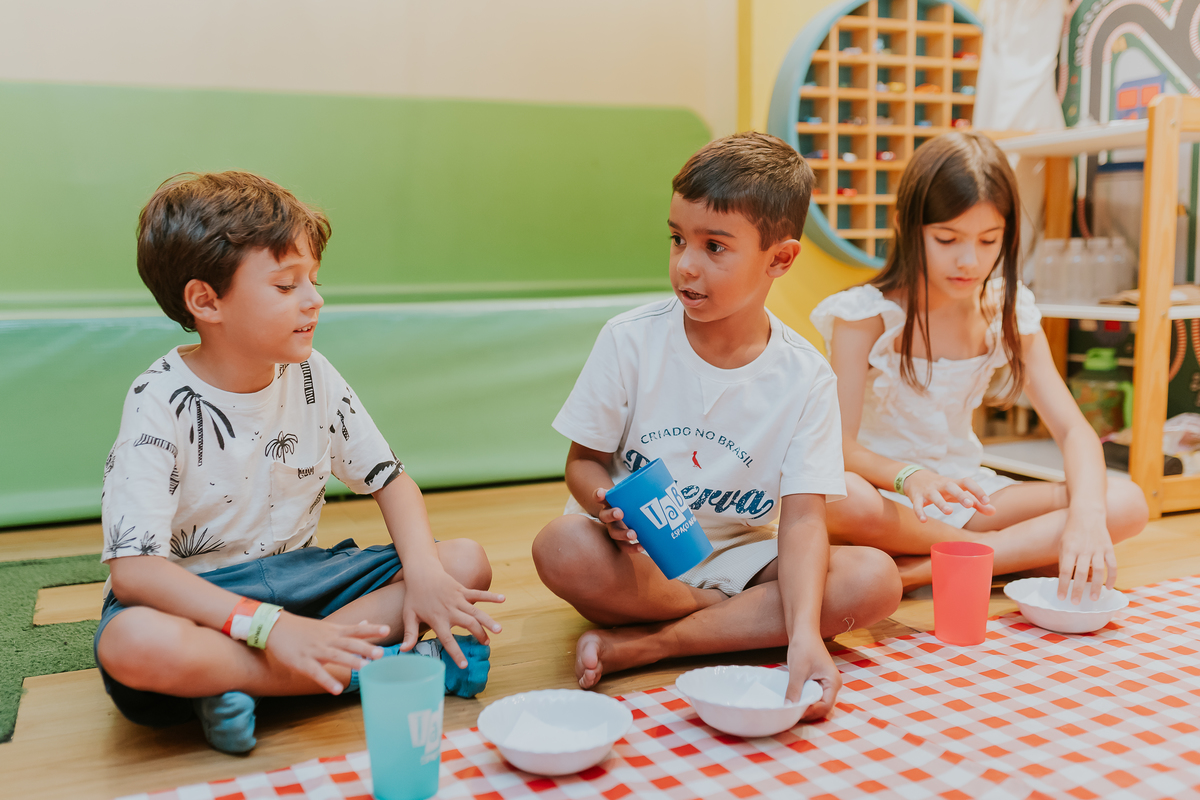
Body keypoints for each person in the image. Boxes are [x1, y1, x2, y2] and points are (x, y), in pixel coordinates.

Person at [95, 171, 504, 754]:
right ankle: (365, 668)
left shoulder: (314, 374)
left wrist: (428, 577)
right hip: (199, 600)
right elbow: (134, 574)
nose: (314, 299)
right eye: (286, 285)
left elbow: (390, 481)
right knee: (131, 643)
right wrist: (270, 628)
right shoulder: (158, 400)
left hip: (302, 580)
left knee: (461, 563)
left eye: (312, 279)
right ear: (205, 300)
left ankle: (240, 681)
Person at [532, 132, 902, 718]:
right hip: (641, 561)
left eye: (714, 247)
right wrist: (604, 504)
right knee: (560, 546)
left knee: (874, 580)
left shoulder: (805, 375)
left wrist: (805, 635)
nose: (686, 265)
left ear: (779, 259)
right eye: (677, 239)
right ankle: (725, 622)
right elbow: (584, 462)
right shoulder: (629, 340)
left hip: (744, 558)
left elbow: (804, 517)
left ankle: (656, 642)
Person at [811, 132, 1148, 599]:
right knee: (838, 496)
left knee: (1125, 501)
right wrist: (911, 477)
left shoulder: (1005, 309)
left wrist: (1089, 517)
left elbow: (1074, 431)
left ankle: (928, 569)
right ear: (907, 227)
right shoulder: (864, 315)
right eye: (947, 239)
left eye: (989, 240)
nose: (969, 260)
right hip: (892, 500)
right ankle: (1002, 554)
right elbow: (838, 449)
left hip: (973, 496)